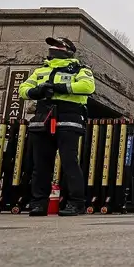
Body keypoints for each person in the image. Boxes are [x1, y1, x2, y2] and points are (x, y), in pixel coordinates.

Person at [18, 37, 95, 216]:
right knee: (41, 164)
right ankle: (39, 203)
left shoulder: (80, 69)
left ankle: (76, 203)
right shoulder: (40, 71)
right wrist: (36, 91)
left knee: (69, 162)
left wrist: (60, 87)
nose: (53, 48)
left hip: (69, 118)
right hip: (43, 118)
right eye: (52, 45)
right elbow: (23, 89)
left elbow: (88, 86)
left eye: (58, 45)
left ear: (68, 50)